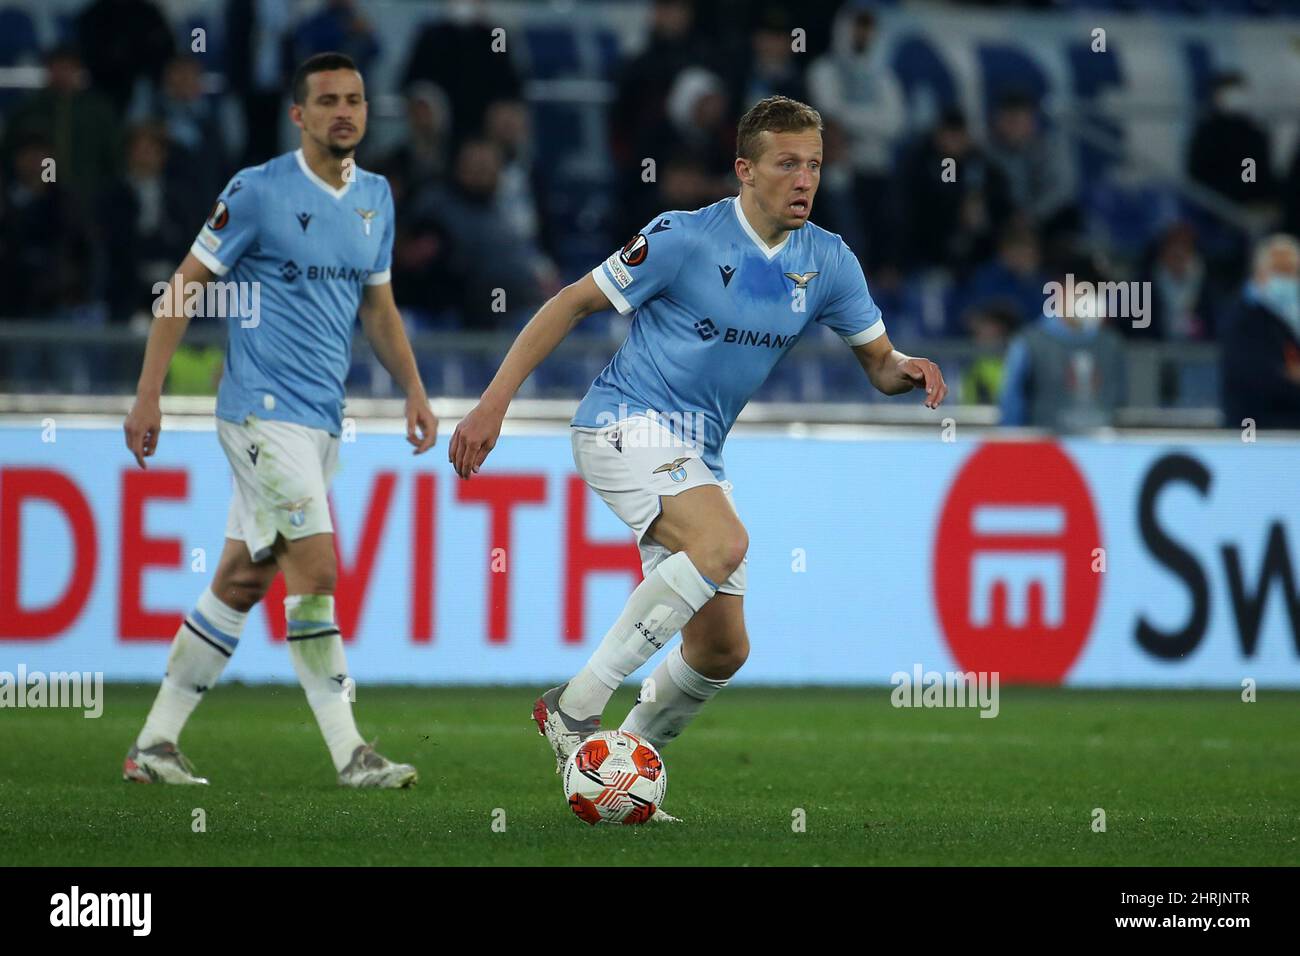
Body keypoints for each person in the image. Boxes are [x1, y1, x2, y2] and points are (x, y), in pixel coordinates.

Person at [448, 96, 946, 819]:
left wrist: (906, 367)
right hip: (621, 422)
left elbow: (876, 362)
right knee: (723, 541)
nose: (804, 179)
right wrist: (494, 403)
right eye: (786, 164)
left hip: (697, 452)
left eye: (813, 164)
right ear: (744, 170)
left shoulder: (829, 261)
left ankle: (614, 772)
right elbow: (569, 303)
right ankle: (573, 706)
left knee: (720, 650)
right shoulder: (682, 238)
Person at [120, 53, 439, 787]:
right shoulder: (257, 192)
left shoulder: (378, 197)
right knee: (317, 569)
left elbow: (379, 308)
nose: (344, 112)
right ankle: (351, 752)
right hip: (259, 413)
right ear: (299, 115)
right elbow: (184, 287)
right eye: (327, 100)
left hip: (322, 418)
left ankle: (154, 744)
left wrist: (414, 390)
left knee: (240, 578)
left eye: (354, 99)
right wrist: (149, 393)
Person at [1220, 234, 1300, 430]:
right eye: (1280, 271)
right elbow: (1257, 378)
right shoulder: (1242, 316)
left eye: (1292, 272)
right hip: (1253, 430)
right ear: (1259, 273)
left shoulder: (1290, 314)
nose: (1287, 279)